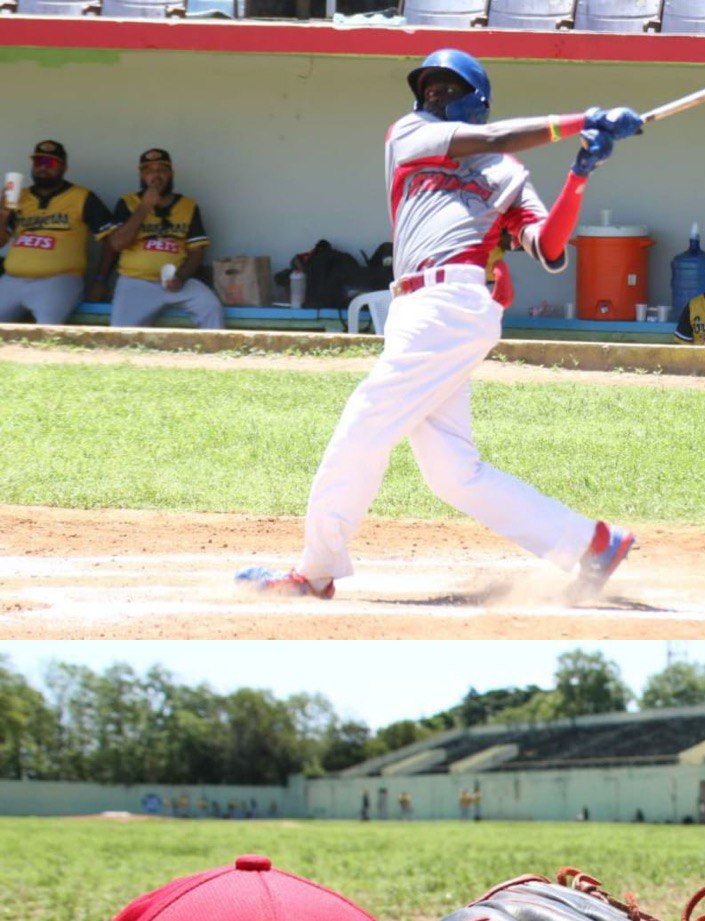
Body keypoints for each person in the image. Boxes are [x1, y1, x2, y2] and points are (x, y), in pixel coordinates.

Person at [235, 51, 642, 602]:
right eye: (428, 87)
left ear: (474, 97)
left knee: (364, 423)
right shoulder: (412, 133)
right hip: (418, 308)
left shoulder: (507, 174)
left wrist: (579, 173)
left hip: (451, 304)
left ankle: (315, 570)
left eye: (447, 88)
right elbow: (496, 137)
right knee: (453, 472)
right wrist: (578, 121)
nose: (434, 95)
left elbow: (548, 248)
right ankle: (591, 544)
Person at [102, 147, 224, 330]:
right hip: (136, 282)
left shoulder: (188, 205)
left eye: (162, 170)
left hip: (176, 283)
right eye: (148, 170)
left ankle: (215, 357)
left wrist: (181, 278)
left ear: (171, 173)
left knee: (210, 306)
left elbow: (196, 252)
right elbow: (118, 244)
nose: (155, 175)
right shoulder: (128, 203)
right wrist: (144, 207)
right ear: (141, 175)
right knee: (120, 335)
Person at [0, 140, 113, 325]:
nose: (43, 168)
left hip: (59, 280)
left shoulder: (82, 197)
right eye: (39, 162)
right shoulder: (20, 197)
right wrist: (3, 214)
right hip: (13, 279)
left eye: (50, 163)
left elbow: (112, 241)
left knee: (47, 332)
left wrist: (101, 280)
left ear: (64, 168)